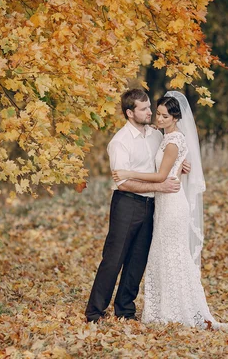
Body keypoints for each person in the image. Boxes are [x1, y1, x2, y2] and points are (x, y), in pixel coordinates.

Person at [112, 91, 228, 330]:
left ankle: (177, 309)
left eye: (165, 116)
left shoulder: (173, 140)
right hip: (163, 203)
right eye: (157, 113)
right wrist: (180, 166)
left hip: (173, 203)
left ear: (176, 118)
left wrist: (127, 173)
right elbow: (170, 166)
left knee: (172, 254)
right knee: (163, 254)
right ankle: (165, 308)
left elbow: (161, 176)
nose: (159, 118)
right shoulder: (164, 138)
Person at [85, 88, 187, 323]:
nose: (150, 112)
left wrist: (182, 163)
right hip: (127, 204)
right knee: (114, 258)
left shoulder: (155, 134)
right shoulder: (119, 142)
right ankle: (94, 312)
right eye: (144, 109)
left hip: (153, 206)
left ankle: (125, 310)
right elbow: (123, 183)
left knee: (137, 260)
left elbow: (167, 156)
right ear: (130, 113)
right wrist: (159, 187)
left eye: (150, 107)